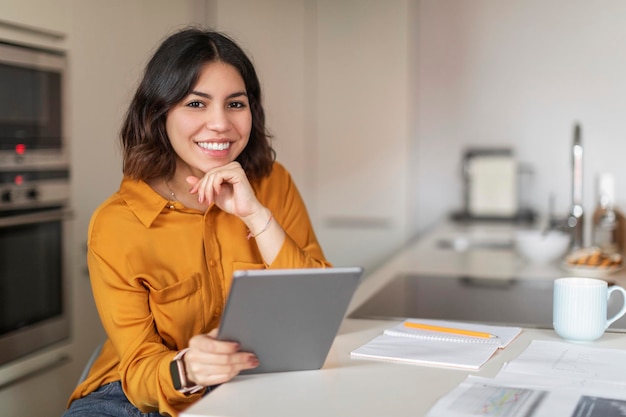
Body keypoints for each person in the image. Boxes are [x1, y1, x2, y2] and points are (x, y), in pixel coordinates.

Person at [63, 27, 330, 417]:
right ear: (159, 112)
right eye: (196, 104)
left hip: (256, 382)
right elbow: (138, 370)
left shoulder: (273, 184)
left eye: (236, 104)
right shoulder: (117, 223)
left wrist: (256, 215)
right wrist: (188, 368)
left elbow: (318, 312)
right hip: (142, 395)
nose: (221, 123)